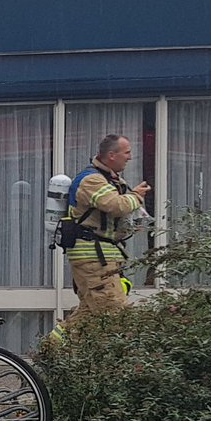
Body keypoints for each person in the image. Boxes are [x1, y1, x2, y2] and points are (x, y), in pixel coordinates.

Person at [49, 134, 151, 341]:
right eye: (127, 152)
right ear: (111, 155)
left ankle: (52, 351)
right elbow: (115, 205)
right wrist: (137, 196)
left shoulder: (109, 178)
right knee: (116, 316)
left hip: (101, 257)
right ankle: (120, 367)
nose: (130, 157)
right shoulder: (92, 180)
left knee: (88, 315)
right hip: (94, 259)